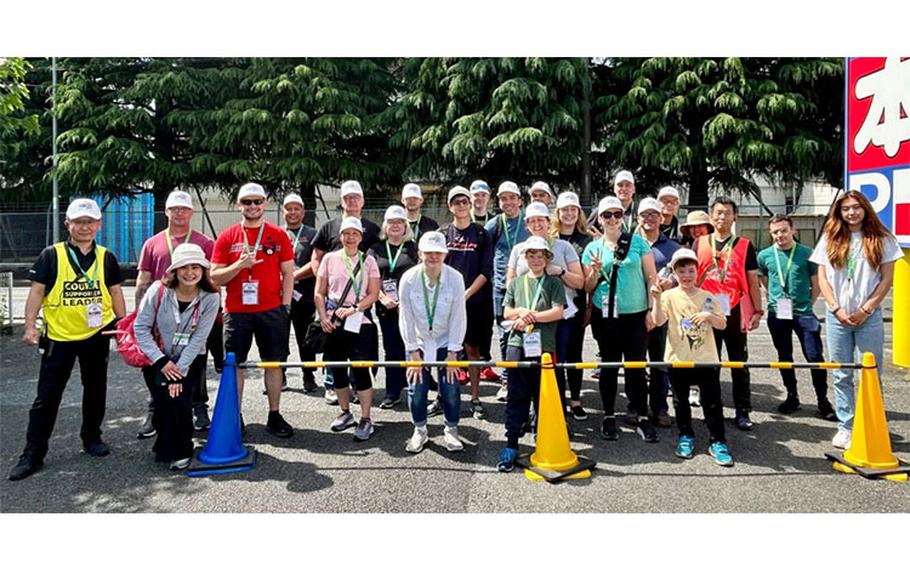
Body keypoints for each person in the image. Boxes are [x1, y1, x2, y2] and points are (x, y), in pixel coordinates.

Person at [9, 198, 127, 481]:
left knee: (96, 390)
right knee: (47, 398)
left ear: (99, 225)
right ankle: (32, 454)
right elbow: (37, 292)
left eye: (90, 222)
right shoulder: (52, 254)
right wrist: (29, 327)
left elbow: (116, 293)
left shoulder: (106, 257)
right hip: (59, 337)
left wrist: (124, 328)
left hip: (96, 335)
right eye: (79, 222)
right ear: (68, 225)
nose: (84, 227)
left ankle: (91, 438)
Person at [810, 190, 903, 450]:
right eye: (846, 208)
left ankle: (872, 424)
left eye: (856, 207)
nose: (851, 213)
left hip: (869, 317)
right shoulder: (830, 237)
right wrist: (836, 308)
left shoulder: (882, 239)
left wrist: (866, 308)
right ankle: (846, 426)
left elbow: (886, 280)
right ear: (839, 212)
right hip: (837, 316)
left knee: (871, 374)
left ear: (865, 209)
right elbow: (823, 278)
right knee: (842, 374)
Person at [210, 182, 295, 438]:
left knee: (273, 363)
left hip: (271, 309)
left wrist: (286, 306)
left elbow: (288, 273)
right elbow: (215, 277)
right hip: (237, 311)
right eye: (247, 202)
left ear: (265, 204)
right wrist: (239, 265)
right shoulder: (227, 236)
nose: (253, 206)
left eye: (257, 201)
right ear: (239, 205)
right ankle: (235, 416)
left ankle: (274, 414)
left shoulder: (278, 234)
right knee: (235, 365)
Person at [134, 190, 218, 437]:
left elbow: (210, 277)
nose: (179, 213)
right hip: (161, 314)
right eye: (175, 209)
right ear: (166, 212)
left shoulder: (205, 242)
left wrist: (213, 308)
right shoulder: (153, 243)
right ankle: (155, 410)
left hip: (194, 312)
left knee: (197, 361)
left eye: (184, 209)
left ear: (191, 212)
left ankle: (199, 407)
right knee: (156, 364)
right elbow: (144, 278)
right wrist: (139, 312)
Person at [134, 244, 220, 471]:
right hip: (156, 358)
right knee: (162, 404)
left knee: (180, 404)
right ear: (174, 270)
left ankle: (182, 450)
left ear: (203, 270)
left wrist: (178, 371)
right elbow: (140, 328)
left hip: (190, 360)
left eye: (196, 267)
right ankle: (164, 446)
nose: (190, 272)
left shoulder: (211, 298)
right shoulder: (157, 291)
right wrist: (162, 362)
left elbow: (200, 337)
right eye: (184, 267)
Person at [582, 196, 659, 443]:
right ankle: (608, 414)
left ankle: (641, 414)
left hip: (635, 313)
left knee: (636, 365)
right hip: (606, 315)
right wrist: (593, 270)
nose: (613, 219)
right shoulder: (593, 248)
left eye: (617, 214)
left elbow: (651, 278)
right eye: (607, 215)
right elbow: (588, 286)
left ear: (623, 216)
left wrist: (650, 308)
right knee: (609, 365)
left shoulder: (637, 243)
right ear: (600, 219)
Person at [650, 248, 734, 467]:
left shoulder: (708, 297)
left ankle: (717, 441)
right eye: (681, 271)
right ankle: (685, 435)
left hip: (707, 358)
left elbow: (723, 323)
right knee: (680, 401)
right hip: (678, 357)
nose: (686, 275)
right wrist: (656, 300)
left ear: (697, 271)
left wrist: (709, 316)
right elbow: (658, 322)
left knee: (712, 401)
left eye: (690, 270)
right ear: (674, 274)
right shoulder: (668, 296)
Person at [506, 201, 584, 416]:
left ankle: (556, 413)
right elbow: (510, 283)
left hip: (561, 316)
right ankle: (533, 410)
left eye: (541, 219)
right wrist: (523, 312)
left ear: (549, 222)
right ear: (526, 225)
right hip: (527, 319)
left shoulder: (564, 247)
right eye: (532, 221)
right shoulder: (518, 250)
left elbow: (580, 283)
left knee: (555, 366)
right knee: (530, 365)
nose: (537, 224)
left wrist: (559, 272)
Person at [693, 196, 762, 431]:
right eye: (718, 212)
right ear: (711, 216)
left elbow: (753, 281)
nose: (722, 217)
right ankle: (711, 408)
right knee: (708, 363)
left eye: (727, 213)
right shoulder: (700, 243)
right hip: (707, 311)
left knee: (738, 363)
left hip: (734, 311)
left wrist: (757, 311)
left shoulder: (744, 244)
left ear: (735, 217)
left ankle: (743, 410)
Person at [497, 236, 566, 472]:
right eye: (531, 255)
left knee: (543, 396)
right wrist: (523, 312)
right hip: (517, 344)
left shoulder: (554, 283)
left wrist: (531, 317)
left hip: (544, 347)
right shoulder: (516, 283)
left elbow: (558, 312)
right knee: (516, 394)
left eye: (540, 256)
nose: (536, 259)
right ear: (525, 258)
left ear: (547, 258)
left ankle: (542, 440)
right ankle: (511, 442)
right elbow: (507, 312)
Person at [757, 214, 835, 419]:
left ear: (793, 230)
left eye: (784, 230)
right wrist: (772, 296)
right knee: (784, 356)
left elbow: (816, 281)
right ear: (771, 234)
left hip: (804, 313)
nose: (780, 235)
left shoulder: (807, 253)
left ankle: (822, 400)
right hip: (778, 313)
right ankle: (792, 396)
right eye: (775, 232)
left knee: (815, 357)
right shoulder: (765, 255)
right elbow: (764, 279)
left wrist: (809, 302)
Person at [311, 180, 382, 404]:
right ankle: (338, 397)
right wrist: (327, 285)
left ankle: (364, 412)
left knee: (360, 364)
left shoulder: (372, 233)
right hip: (334, 310)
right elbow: (317, 266)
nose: (350, 237)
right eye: (347, 197)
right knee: (336, 361)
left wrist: (356, 307)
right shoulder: (329, 231)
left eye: (356, 197)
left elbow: (373, 289)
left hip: (359, 313)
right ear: (341, 201)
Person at [399, 231, 468, 453]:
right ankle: (420, 430)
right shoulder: (409, 279)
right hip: (418, 341)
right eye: (429, 253)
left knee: (450, 387)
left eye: (438, 253)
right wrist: (412, 352)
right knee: (417, 388)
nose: (433, 257)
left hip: (446, 341)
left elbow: (459, 315)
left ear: (445, 255)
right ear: (420, 254)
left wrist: (453, 351)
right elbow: (406, 317)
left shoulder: (455, 278)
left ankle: (451, 430)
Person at [314, 217, 381, 441]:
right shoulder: (329, 259)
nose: (350, 237)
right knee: (338, 369)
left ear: (361, 237)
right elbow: (319, 292)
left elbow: (373, 294)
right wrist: (323, 317)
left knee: (361, 369)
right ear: (340, 236)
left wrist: (355, 308)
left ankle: (366, 417)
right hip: (333, 321)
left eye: (355, 234)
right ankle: (345, 412)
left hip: (359, 321)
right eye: (346, 233)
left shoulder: (368, 261)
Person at [440, 186, 493, 419]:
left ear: (471, 204)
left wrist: (468, 293)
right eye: (456, 202)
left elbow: (486, 269)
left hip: (474, 301)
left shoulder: (481, 233)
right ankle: (443, 397)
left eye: (465, 201)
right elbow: (435, 266)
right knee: (443, 349)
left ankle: (474, 397)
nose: (461, 205)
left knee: (473, 350)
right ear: (450, 206)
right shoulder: (442, 233)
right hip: (445, 301)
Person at [369, 205, 419, 409]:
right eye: (391, 222)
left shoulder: (414, 248)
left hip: (409, 306)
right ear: (385, 226)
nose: (395, 225)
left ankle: (415, 389)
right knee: (391, 348)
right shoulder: (376, 248)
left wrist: (404, 300)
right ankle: (392, 391)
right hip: (385, 306)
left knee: (412, 347)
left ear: (405, 225)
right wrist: (381, 297)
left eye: (399, 222)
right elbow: (369, 277)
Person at [637, 197, 681, 428]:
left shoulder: (674, 248)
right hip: (635, 312)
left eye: (654, 214)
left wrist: (670, 282)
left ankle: (660, 408)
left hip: (663, 314)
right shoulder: (629, 245)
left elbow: (683, 275)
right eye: (644, 214)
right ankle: (637, 407)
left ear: (661, 218)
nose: (649, 218)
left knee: (660, 363)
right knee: (635, 362)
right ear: (637, 218)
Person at [485, 180, 530, 401]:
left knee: (529, 331)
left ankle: (527, 377)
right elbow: (485, 250)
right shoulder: (495, 224)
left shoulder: (528, 222)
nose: (508, 202)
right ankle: (507, 379)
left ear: (520, 200)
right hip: (502, 288)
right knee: (504, 334)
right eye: (503, 198)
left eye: (512, 197)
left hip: (528, 287)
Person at [551, 191, 593, 420]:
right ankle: (556, 398)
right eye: (564, 210)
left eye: (573, 210)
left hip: (576, 302)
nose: (568, 214)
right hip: (552, 305)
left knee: (575, 353)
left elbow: (589, 279)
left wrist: (588, 308)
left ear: (579, 213)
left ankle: (575, 399)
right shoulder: (549, 237)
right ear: (557, 213)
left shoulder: (586, 239)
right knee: (555, 353)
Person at [282, 193, 319, 393]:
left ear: (303, 212)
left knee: (305, 338)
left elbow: (315, 265)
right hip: (279, 297)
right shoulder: (276, 234)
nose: (293, 212)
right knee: (279, 337)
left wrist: (292, 276)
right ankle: (280, 377)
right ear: (283, 212)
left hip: (304, 296)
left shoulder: (313, 234)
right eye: (289, 209)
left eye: (297, 208)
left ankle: (309, 376)